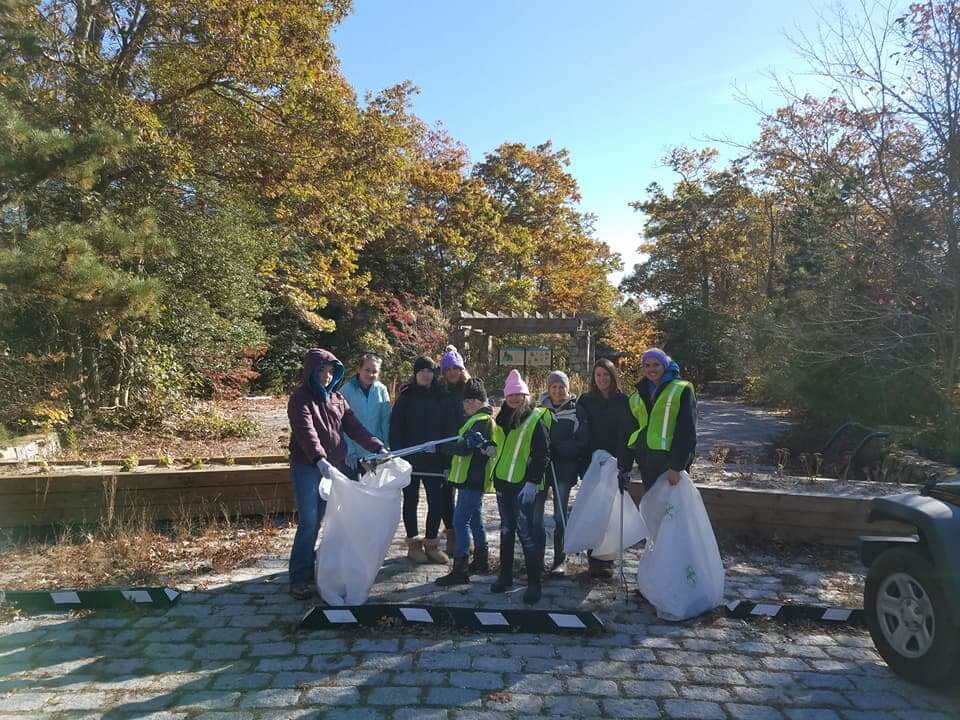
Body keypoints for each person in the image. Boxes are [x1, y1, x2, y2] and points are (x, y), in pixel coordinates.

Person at [286, 349, 386, 599]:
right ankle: (299, 577)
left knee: (324, 520)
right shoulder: (300, 399)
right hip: (308, 467)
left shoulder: (337, 399)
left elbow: (354, 427)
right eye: (322, 370)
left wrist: (377, 446)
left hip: (333, 467)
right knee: (309, 521)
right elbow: (306, 433)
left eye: (331, 371)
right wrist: (319, 460)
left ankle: (321, 570)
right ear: (311, 371)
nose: (327, 376)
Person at [491, 369, 552, 604]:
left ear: (525, 396)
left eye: (518, 395)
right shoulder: (501, 419)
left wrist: (533, 482)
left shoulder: (534, 419)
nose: (514, 399)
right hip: (503, 482)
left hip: (523, 485)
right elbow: (502, 448)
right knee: (506, 531)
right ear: (505, 397)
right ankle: (505, 576)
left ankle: (534, 583)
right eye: (510, 395)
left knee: (527, 535)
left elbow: (542, 454)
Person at [435, 378, 498, 586]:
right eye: (467, 400)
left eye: (475, 399)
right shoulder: (474, 420)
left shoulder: (483, 421)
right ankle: (481, 561)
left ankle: (460, 569)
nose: (469, 403)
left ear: (483, 401)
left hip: (473, 479)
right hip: (468, 479)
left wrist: (444, 448)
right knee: (475, 518)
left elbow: (464, 449)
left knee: (460, 521)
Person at [389, 355, 450, 565]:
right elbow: (395, 428)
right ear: (416, 374)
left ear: (434, 374)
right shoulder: (406, 397)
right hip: (410, 459)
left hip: (435, 460)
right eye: (421, 370)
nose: (425, 374)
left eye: (429, 370)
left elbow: (448, 427)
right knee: (411, 500)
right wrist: (399, 455)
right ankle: (413, 545)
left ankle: (432, 544)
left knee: (436, 502)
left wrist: (444, 455)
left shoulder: (442, 396)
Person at [576, 357, 632, 579]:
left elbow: (626, 434)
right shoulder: (586, 400)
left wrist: (624, 465)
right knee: (592, 512)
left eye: (605, 375)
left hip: (614, 463)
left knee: (610, 514)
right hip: (591, 464)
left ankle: (607, 559)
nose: (601, 379)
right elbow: (579, 432)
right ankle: (593, 560)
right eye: (598, 375)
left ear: (612, 377)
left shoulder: (623, 401)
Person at [619, 347, 697, 492]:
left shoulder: (681, 389)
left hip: (670, 463)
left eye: (656, 365)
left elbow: (686, 431)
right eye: (647, 365)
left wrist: (677, 466)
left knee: (672, 511)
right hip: (647, 461)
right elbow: (629, 432)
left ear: (664, 366)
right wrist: (624, 467)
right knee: (653, 510)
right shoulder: (637, 396)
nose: (651, 369)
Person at [539, 369, 589, 574]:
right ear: (548, 389)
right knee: (536, 516)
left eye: (562, 387)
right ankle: (537, 557)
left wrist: (562, 448)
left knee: (560, 515)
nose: (558, 391)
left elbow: (582, 440)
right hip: (542, 470)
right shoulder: (539, 409)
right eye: (554, 387)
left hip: (564, 469)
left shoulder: (576, 411)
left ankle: (560, 559)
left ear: (568, 389)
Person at [438, 345, 470, 555]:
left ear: (461, 370)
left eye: (455, 368)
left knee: (467, 493)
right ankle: (451, 534)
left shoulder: (471, 389)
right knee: (446, 494)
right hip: (445, 447)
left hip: (466, 446)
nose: (452, 373)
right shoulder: (439, 391)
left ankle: (465, 535)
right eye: (448, 369)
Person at [340, 352, 391, 479]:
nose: (370, 374)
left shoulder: (382, 390)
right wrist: (350, 452)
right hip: (353, 453)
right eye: (367, 370)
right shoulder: (346, 390)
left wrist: (385, 447)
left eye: (374, 371)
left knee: (374, 495)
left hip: (376, 452)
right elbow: (341, 423)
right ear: (359, 369)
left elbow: (386, 420)